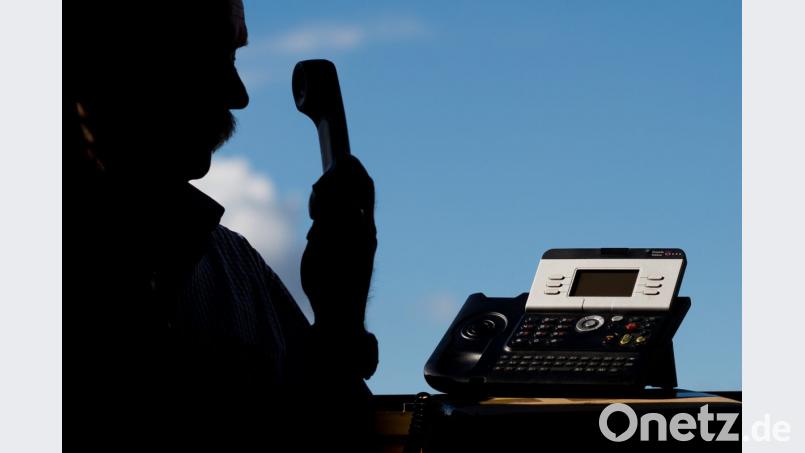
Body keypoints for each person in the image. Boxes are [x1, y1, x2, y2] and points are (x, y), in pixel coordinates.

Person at [66, 1, 379, 450]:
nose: (239, 94)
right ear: (116, 59)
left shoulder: (237, 270)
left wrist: (339, 319)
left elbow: (334, 436)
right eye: (218, 57)